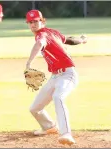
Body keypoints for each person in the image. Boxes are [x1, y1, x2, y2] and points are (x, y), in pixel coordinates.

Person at [25, 9, 87, 145]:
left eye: (36, 21)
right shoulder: (52, 32)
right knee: (35, 109)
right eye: (30, 22)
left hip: (68, 74)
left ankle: (66, 134)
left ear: (42, 21)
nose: (33, 24)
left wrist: (29, 62)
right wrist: (81, 40)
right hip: (55, 77)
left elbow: (40, 43)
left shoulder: (41, 35)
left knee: (58, 97)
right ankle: (49, 127)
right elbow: (69, 40)